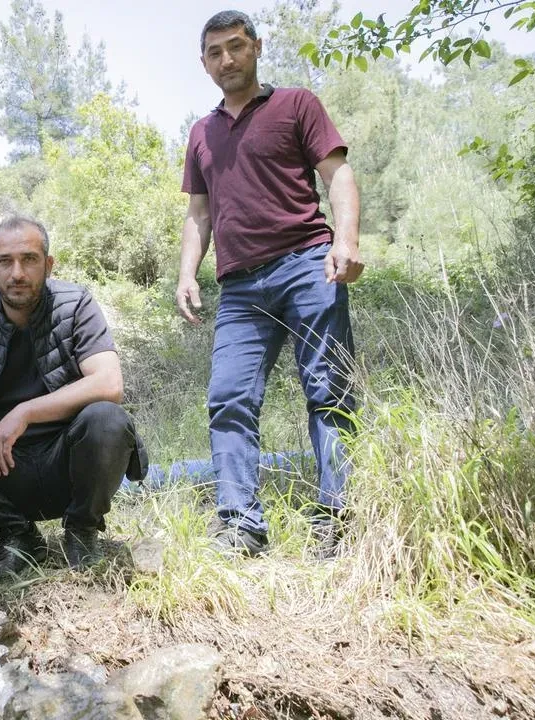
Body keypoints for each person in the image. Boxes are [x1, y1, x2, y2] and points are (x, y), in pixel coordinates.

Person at [178, 10, 363, 558]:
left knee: (329, 389)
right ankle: (240, 524)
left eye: (236, 47)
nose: (226, 59)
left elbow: (339, 176)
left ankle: (339, 514)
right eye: (215, 51)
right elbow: (198, 213)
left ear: (257, 48)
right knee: (228, 398)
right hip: (239, 288)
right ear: (204, 62)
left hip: (307, 264)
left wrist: (345, 241)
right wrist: (187, 272)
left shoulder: (296, 105)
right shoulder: (201, 133)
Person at [0, 216, 147, 579]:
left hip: (68, 463)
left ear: (48, 264)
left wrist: (26, 412)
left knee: (107, 419)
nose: (17, 272)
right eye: (5, 261)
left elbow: (109, 383)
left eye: (29, 259)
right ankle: (17, 535)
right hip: (0, 469)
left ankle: (82, 530)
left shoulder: (76, 306)